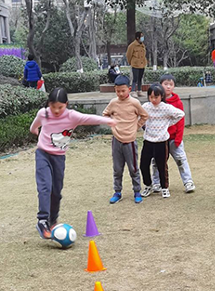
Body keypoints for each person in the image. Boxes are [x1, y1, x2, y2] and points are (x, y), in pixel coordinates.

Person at [29, 88, 119, 239]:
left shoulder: (72, 116)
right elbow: (34, 125)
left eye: (60, 107)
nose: (56, 110)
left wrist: (109, 121)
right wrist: (34, 131)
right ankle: (42, 220)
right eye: (53, 106)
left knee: (56, 191)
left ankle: (53, 221)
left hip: (59, 157)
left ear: (66, 104)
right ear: (49, 104)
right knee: (45, 186)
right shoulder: (43, 113)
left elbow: (90, 118)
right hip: (43, 154)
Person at [101, 75, 148, 204]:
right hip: (116, 140)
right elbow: (105, 115)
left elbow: (144, 116)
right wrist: (112, 124)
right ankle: (117, 192)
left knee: (133, 168)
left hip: (130, 141)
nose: (120, 93)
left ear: (129, 89)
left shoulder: (135, 103)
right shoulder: (113, 103)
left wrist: (136, 127)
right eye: (117, 91)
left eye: (123, 90)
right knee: (117, 168)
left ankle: (137, 191)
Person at [139, 84, 185, 199]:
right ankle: (148, 185)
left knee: (161, 166)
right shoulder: (145, 106)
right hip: (148, 140)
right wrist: (143, 125)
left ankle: (164, 188)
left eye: (156, 97)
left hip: (161, 141)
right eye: (151, 97)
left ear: (162, 96)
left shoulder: (166, 107)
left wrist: (167, 124)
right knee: (143, 165)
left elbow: (180, 114)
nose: (153, 100)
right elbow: (139, 116)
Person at [152, 74, 195, 193]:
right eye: (166, 84)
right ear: (160, 85)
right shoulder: (156, 102)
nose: (168, 87)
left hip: (174, 139)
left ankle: (188, 182)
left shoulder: (178, 102)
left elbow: (181, 122)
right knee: (157, 161)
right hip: (159, 139)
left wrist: (178, 139)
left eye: (171, 84)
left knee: (181, 160)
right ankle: (156, 183)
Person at [126, 32, 148, 97]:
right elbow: (128, 55)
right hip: (135, 64)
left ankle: (139, 90)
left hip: (142, 64)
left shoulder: (143, 45)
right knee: (135, 78)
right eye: (141, 36)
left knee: (140, 78)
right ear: (137, 37)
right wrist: (131, 62)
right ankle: (133, 91)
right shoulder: (132, 45)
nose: (142, 37)